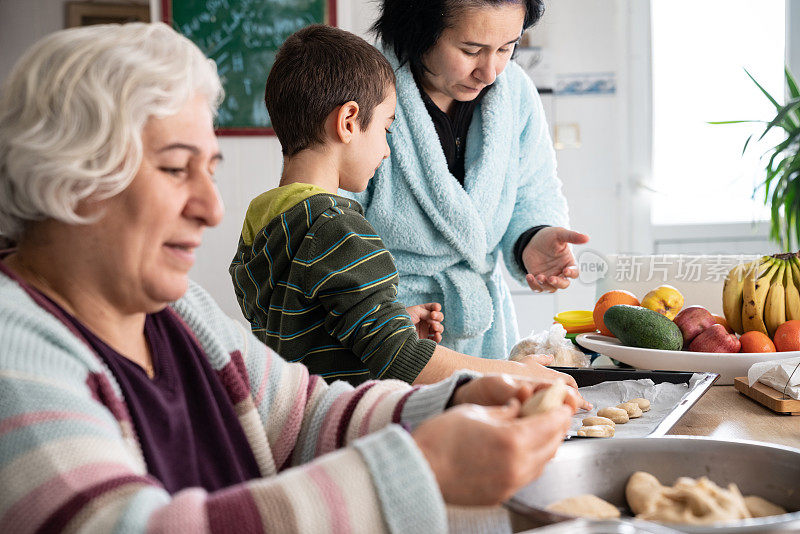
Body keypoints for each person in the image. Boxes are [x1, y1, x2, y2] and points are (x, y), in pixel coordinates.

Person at [0, 22, 582, 533]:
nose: (212, 207)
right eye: (177, 169)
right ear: (72, 179)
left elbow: (301, 415)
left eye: (210, 168)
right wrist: (420, 470)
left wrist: (454, 399)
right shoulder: (15, 355)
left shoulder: (178, 315)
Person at [229, 25, 587, 395]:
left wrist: (389, 322)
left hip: (296, 410)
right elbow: (402, 359)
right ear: (348, 122)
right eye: (387, 128)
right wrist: (515, 372)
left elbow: (305, 329)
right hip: (350, 423)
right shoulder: (339, 230)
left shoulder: (269, 217)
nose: (386, 150)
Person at [345, 0, 590, 359]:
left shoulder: (516, 92)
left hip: (484, 331)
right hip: (390, 326)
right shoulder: (365, 90)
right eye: (471, 50)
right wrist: (379, 318)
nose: (490, 71)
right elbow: (336, 222)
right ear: (419, 31)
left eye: (507, 48)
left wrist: (531, 238)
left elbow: (534, 192)